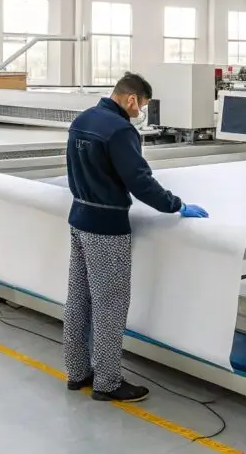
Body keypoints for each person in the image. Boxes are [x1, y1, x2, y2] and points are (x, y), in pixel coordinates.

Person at [62, 72, 209, 403]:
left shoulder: (82, 120)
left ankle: (77, 372)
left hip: (78, 218)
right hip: (106, 226)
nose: (141, 110)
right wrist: (177, 205)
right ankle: (108, 382)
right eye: (142, 104)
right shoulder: (120, 130)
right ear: (131, 100)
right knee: (110, 304)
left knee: (79, 299)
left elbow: (74, 169)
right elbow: (139, 181)